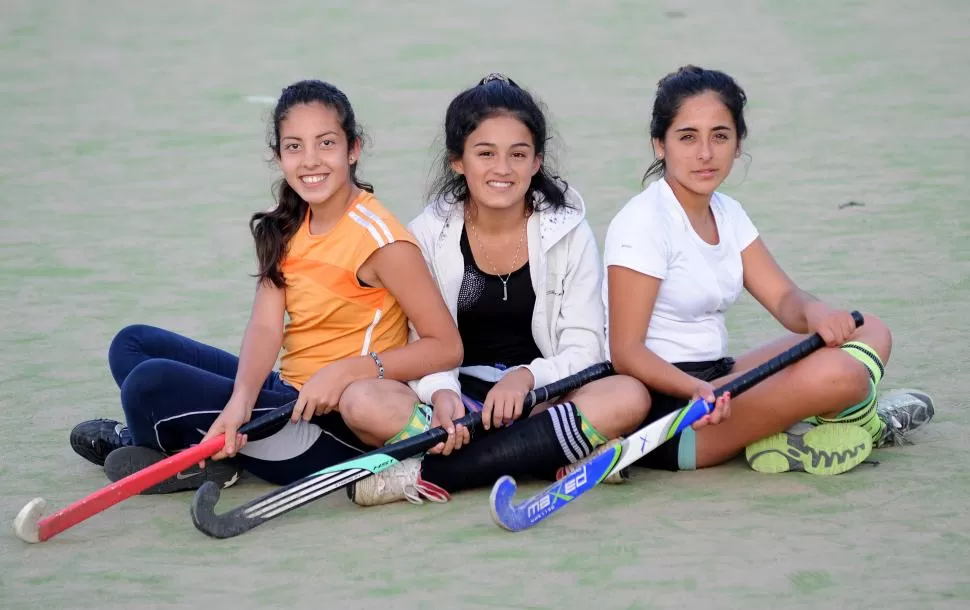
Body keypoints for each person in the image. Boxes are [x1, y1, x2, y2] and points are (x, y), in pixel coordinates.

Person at [69, 79, 463, 493]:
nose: (310, 161)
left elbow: (445, 345)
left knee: (150, 384)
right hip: (284, 391)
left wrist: (352, 370)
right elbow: (265, 327)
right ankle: (209, 448)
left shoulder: (382, 240)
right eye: (294, 147)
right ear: (278, 156)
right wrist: (240, 402)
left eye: (326, 143)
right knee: (132, 345)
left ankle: (174, 447)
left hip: (326, 425)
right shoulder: (287, 224)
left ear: (353, 149)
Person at [603, 65, 935, 476]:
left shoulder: (728, 212)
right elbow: (626, 352)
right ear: (659, 144)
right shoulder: (643, 222)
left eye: (719, 136)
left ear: (737, 144)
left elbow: (783, 298)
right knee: (840, 375)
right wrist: (696, 391)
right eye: (688, 137)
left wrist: (816, 314)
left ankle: (799, 434)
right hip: (677, 414)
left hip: (720, 378)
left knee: (868, 328)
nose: (705, 153)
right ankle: (867, 423)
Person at [348, 73, 653, 507]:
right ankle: (553, 454)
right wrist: (442, 394)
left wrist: (527, 378)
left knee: (627, 396)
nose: (502, 169)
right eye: (485, 153)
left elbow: (585, 347)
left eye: (518, 154)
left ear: (536, 162)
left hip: (544, 399)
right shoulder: (425, 236)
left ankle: (433, 473)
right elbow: (419, 343)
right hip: (461, 407)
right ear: (458, 160)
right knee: (361, 400)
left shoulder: (569, 232)